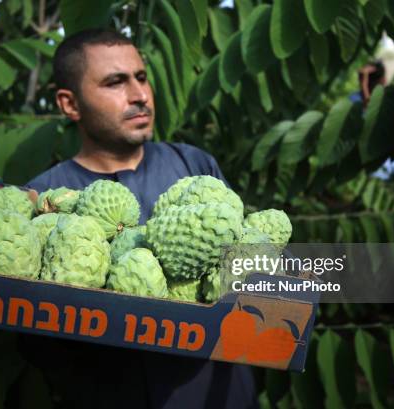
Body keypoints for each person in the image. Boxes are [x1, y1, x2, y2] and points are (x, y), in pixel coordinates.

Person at [21, 29, 258, 409]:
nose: (140, 95)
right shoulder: (42, 198)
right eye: (115, 82)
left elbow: (246, 263)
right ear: (70, 104)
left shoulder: (194, 165)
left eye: (141, 77)